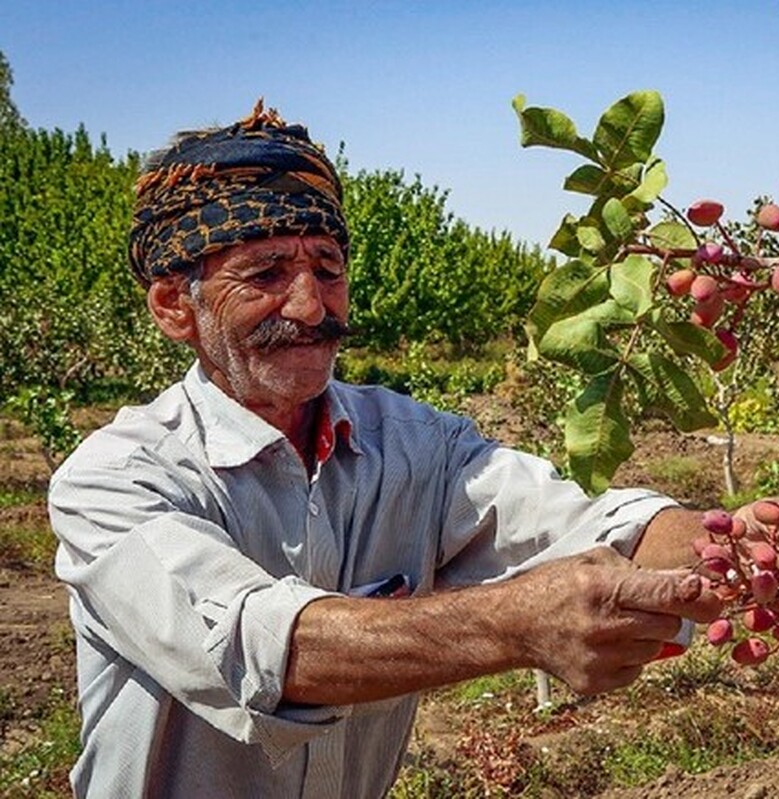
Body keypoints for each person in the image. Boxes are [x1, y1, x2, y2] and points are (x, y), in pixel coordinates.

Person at [48, 101, 724, 798]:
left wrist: (737, 542)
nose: (313, 308)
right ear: (173, 306)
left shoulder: (417, 444)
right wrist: (516, 623)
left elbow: (589, 524)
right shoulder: (114, 478)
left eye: (328, 269)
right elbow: (263, 647)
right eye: (266, 274)